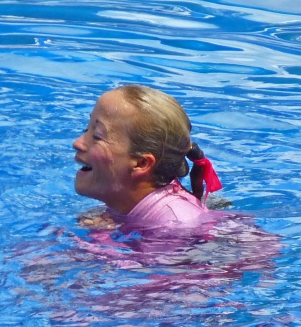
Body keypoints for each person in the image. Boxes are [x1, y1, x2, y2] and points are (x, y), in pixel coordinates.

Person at [72, 84, 222, 233]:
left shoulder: (174, 225)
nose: (77, 143)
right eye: (86, 129)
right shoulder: (127, 205)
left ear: (141, 163)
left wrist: (99, 240)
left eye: (97, 136)